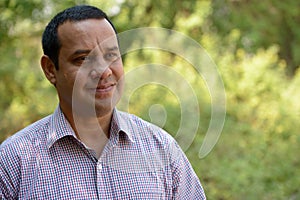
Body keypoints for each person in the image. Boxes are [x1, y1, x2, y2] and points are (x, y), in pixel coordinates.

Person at [0, 5, 206, 199]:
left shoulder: (161, 148)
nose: (104, 71)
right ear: (50, 69)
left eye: (111, 55)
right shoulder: (13, 160)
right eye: (82, 59)